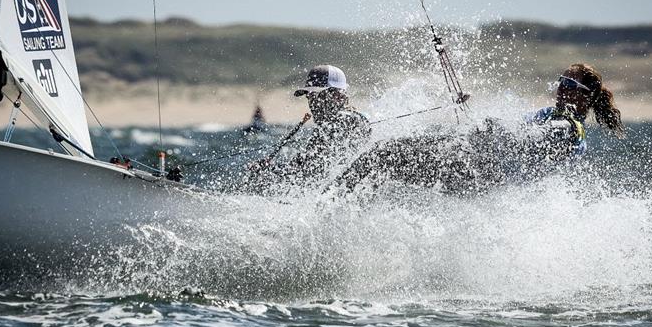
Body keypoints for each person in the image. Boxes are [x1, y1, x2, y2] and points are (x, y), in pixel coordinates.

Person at [337, 63, 623, 192]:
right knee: (388, 152)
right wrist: (482, 118)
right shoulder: (549, 113)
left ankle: (328, 205)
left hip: (482, 174)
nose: (561, 89)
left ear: (586, 96)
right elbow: (517, 124)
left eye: (570, 85)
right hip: (477, 162)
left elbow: (527, 137)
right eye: (561, 81)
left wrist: (495, 129)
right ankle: (337, 202)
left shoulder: (570, 128)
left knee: (384, 155)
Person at [245, 65, 371, 187]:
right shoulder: (344, 121)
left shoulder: (341, 122)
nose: (312, 103)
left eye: (317, 95)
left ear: (337, 96)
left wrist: (270, 171)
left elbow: (306, 169)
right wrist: (272, 169)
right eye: (309, 96)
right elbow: (306, 165)